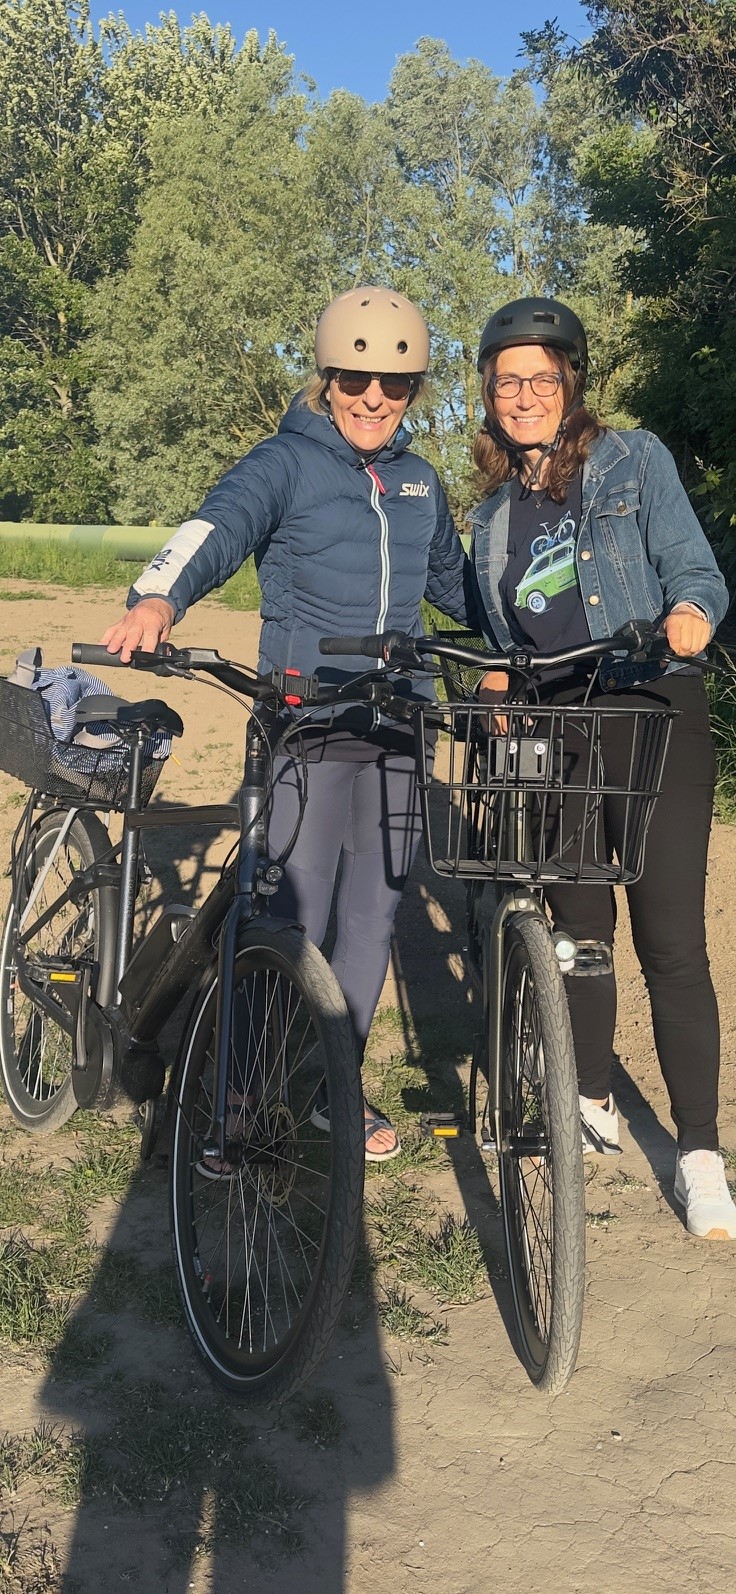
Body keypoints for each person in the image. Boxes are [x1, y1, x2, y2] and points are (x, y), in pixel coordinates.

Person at [101, 284, 479, 1162]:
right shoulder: (284, 462)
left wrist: (535, 638)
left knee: (372, 918)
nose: (374, 400)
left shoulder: (420, 482)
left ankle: (332, 1088)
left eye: (395, 385)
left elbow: (458, 587)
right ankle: (241, 1094)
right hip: (306, 722)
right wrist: (158, 597)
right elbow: (217, 527)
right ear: (327, 378)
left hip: (398, 725)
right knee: (288, 916)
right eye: (355, 380)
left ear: (415, 390)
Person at [469, 294, 736, 1240]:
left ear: (571, 382)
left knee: (670, 941)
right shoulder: (491, 519)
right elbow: (503, 633)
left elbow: (694, 569)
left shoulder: (633, 459)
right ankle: (589, 1099)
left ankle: (699, 1152)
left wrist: (690, 614)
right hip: (556, 726)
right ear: (489, 395)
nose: (525, 395)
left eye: (541, 378)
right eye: (508, 382)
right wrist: (497, 680)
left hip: (649, 710)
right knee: (578, 930)